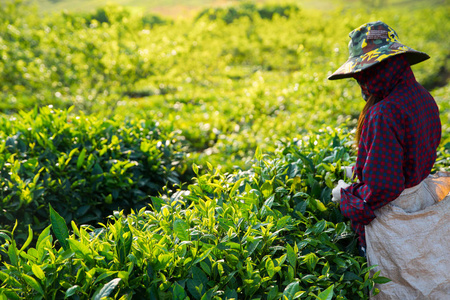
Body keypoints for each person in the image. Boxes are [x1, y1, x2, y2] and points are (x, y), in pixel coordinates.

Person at [328, 21, 450, 298]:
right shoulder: (422, 96)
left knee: (399, 287)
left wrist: (348, 196)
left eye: (365, 71)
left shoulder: (383, 112)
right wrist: (362, 168)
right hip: (421, 195)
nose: (362, 79)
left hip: (394, 210)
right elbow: (411, 151)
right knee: (427, 278)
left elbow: (383, 187)